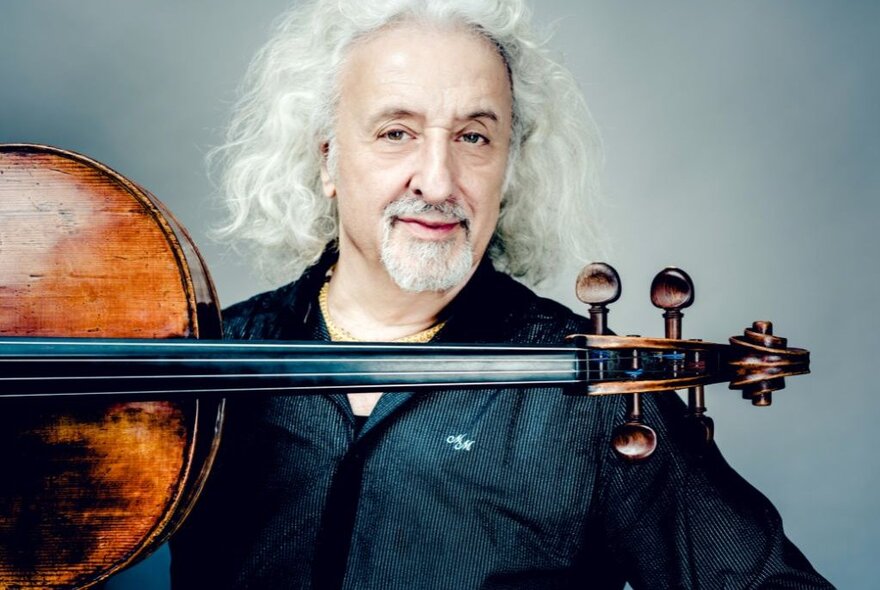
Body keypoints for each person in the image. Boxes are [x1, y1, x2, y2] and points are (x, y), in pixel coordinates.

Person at [169, 0, 833, 588]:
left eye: (473, 137)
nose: (436, 180)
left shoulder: (597, 394)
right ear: (327, 161)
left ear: (508, 166)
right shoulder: (210, 364)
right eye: (396, 132)